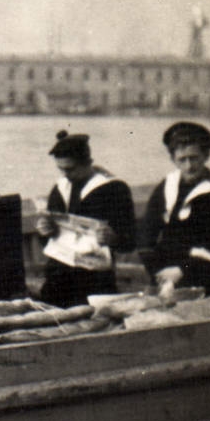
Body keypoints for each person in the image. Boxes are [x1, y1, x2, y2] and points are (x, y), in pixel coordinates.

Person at [138, 121, 210, 304]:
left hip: (204, 281)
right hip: (164, 277)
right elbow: (146, 234)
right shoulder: (167, 187)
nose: (189, 166)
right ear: (173, 159)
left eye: (194, 158)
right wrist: (157, 271)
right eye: (182, 159)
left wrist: (182, 271)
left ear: (206, 156)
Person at [32, 130, 137, 308]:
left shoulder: (114, 189)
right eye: (61, 169)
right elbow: (47, 241)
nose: (65, 174)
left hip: (94, 281)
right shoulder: (60, 188)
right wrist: (44, 230)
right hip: (57, 278)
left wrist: (113, 238)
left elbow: (130, 241)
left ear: (87, 163)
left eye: (70, 169)